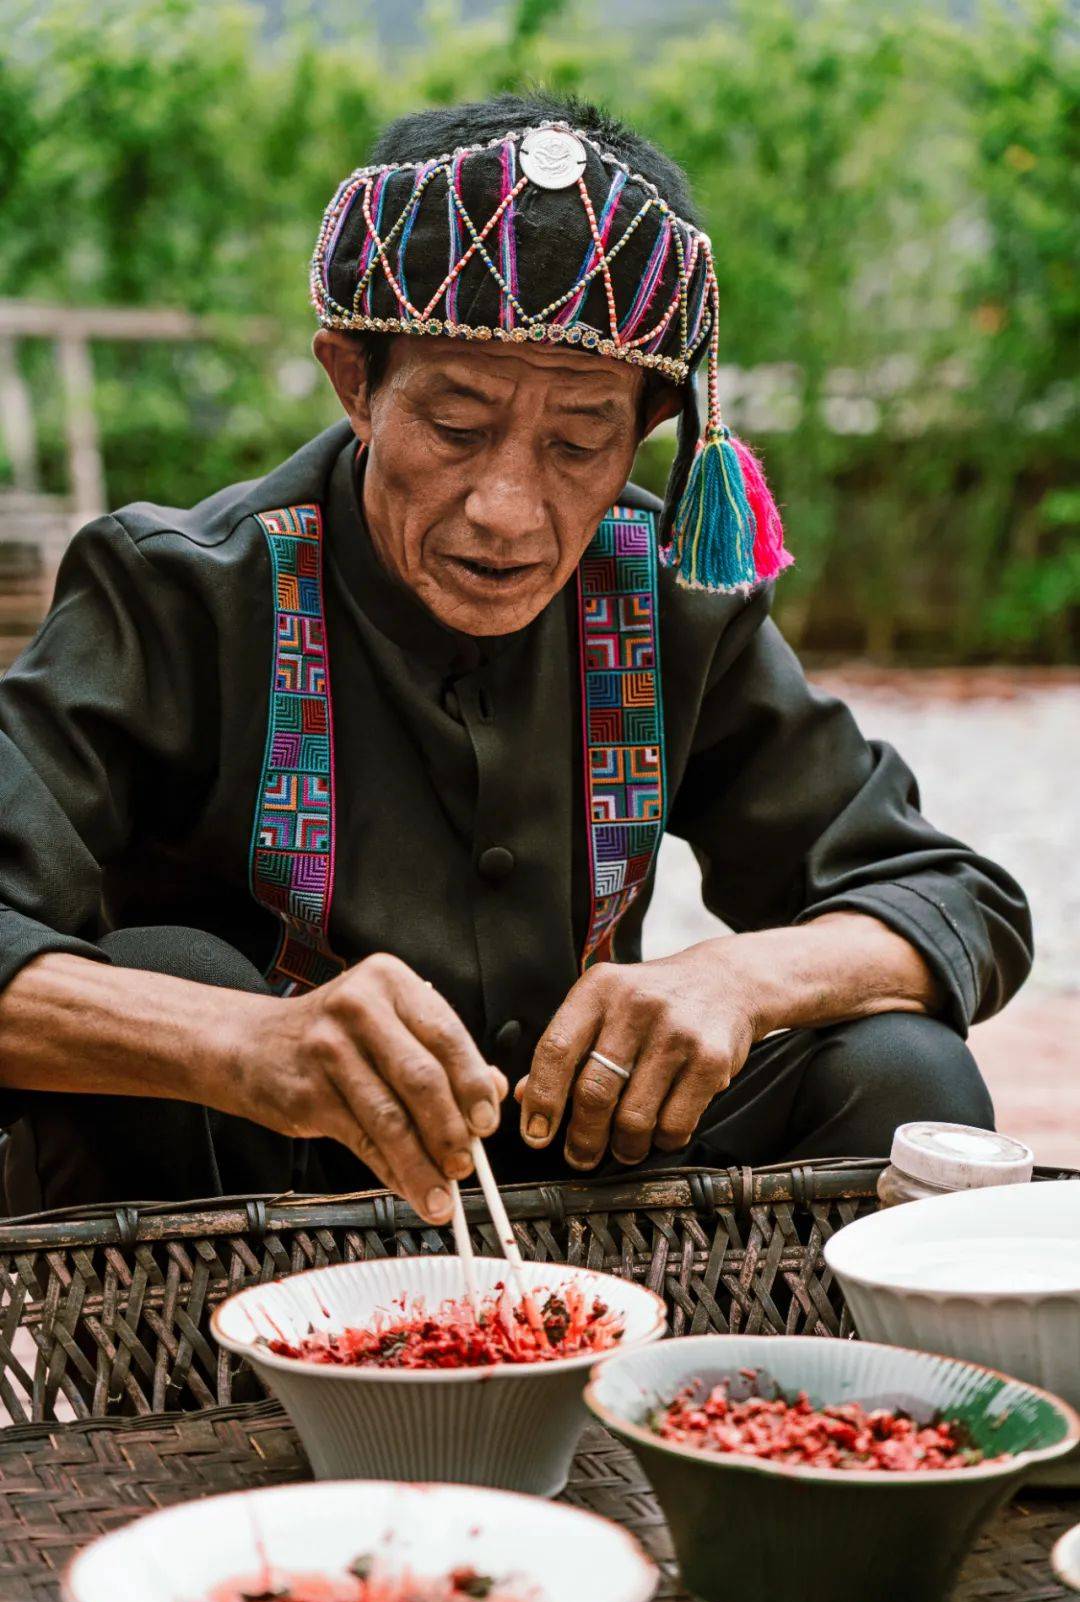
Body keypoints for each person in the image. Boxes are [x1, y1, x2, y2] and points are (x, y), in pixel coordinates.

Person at [0, 93, 1031, 1221]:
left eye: (579, 441)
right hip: (257, 1205)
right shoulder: (175, 592)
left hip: (579, 1192)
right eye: (455, 427)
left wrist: (736, 978)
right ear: (355, 381)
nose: (505, 510)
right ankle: (197, 1401)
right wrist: (242, 1042)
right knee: (171, 968)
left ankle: (739, 1392)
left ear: (639, 430)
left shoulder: (669, 598)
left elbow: (954, 897)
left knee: (903, 1070)